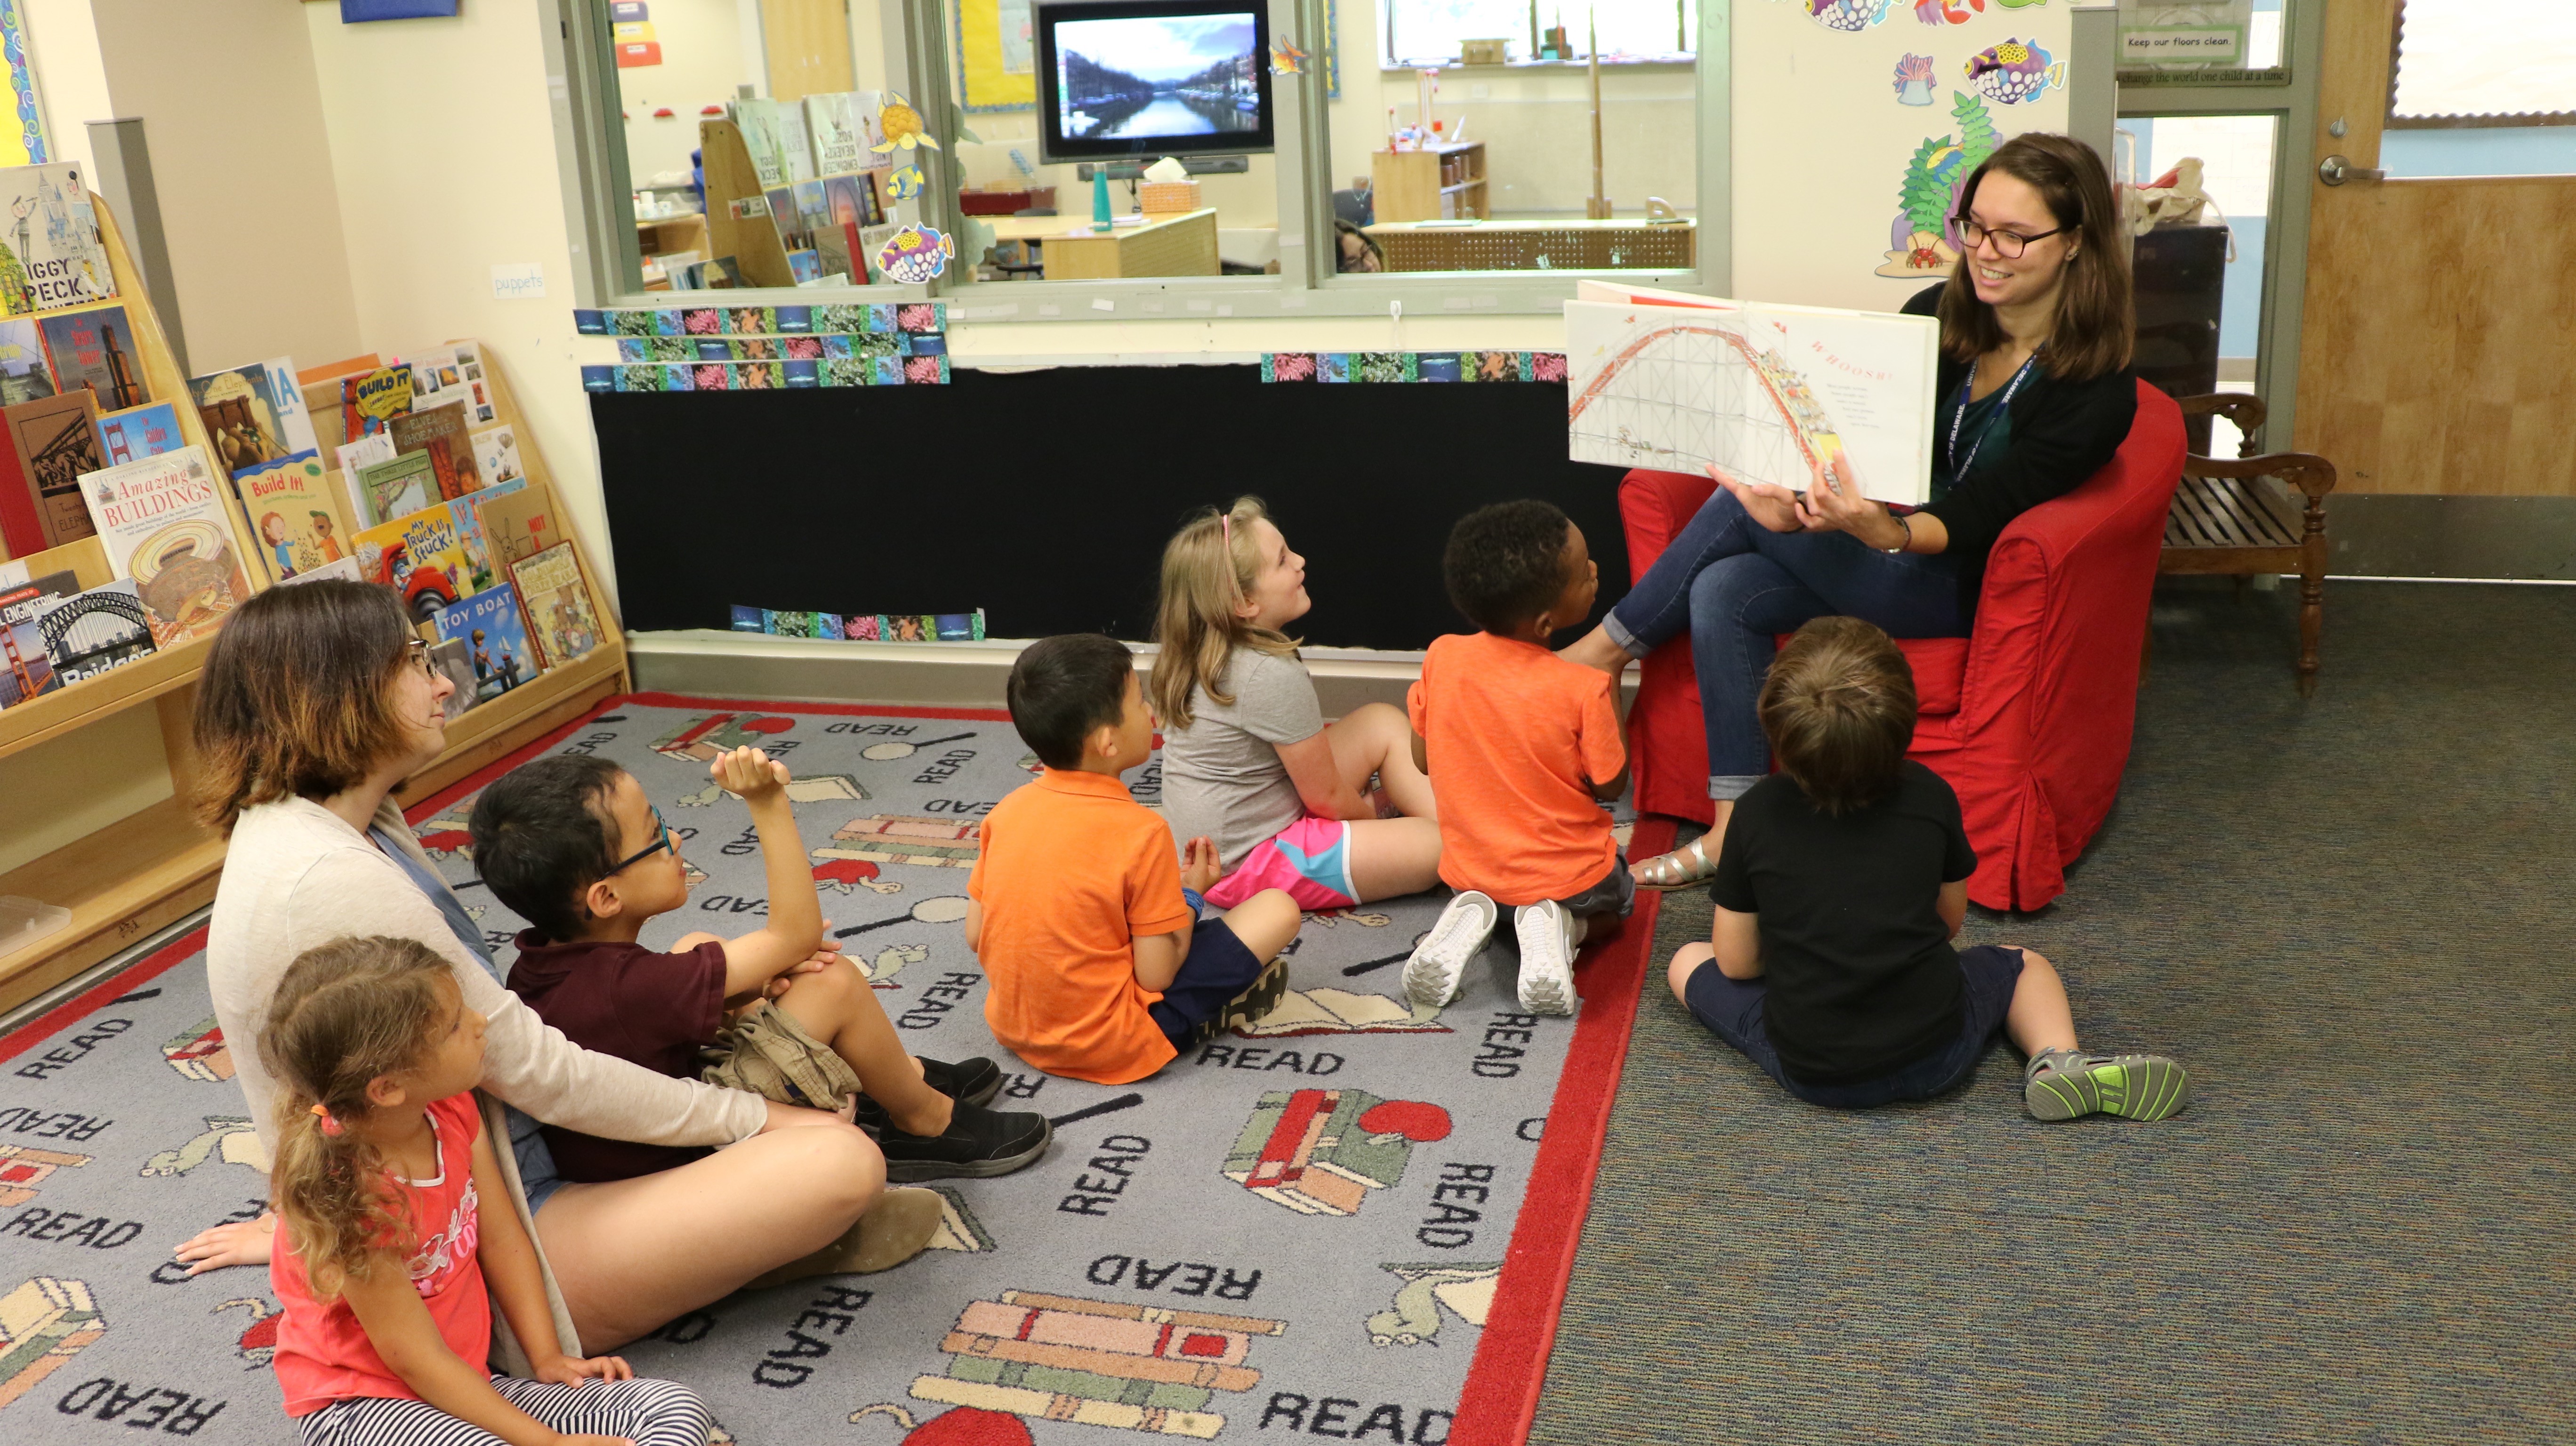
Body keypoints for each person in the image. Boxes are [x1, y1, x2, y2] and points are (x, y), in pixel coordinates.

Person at [184, 579, 895, 1354]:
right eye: (413, 663)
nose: (445, 682)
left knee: (714, 990)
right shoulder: (323, 877)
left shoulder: (331, 824)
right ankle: (735, 1252)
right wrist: (758, 1120)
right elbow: (538, 1069)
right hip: (494, 1248)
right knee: (838, 1160)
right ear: (335, 692)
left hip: (502, 1163)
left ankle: (723, 1233)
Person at [1561, 133, 2138, 889]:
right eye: (1974, 226)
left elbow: (1981, 514)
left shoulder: (2095, 391)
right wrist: (1807, 501)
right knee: (1721, 587)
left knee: (1736, 518)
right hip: (1883, 545)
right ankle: (1735, 825)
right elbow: (1864, 445)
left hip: (1961, 580)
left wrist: (1883, 531)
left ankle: (1597, 657)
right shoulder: (1935, 315)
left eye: (2015, 235)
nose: (1985, 251)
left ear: (2076, 244)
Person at [1668, 616, 2190, 1119]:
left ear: (1777, 730)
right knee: (2024, 965)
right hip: (1940, 1053)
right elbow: (1948, 923)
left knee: (1687, 959)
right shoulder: (1929, 795)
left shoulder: (1756, 812)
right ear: (1906, 721)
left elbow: (1737, 964)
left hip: (1816, 1071)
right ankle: (2060, 1059)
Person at [470, 745, 1051, 1191]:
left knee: (708, 945)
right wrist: (767, 803)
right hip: (688, 1164)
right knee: (832, 982)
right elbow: (795, 933)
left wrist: (761, 974)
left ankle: (890, 1074)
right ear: (604, 898)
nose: (676, 840)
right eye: (656, 837)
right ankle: (923, 1120)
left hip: (654, 1110)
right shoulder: (634, 988)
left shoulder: (544, 962)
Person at [261, 935, 711, 1446]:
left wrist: (546, 1357)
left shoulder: (451, 1110)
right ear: (387, 1088)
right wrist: (550, 1443)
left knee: (672, 1408)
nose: (480, 1022)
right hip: (362, 1405)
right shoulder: (353, 1199)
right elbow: (414, 1358)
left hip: (469, 1384)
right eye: (454, 1025)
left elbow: (502, 1240)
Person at [968, 633, 1304, 1084]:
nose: (1152, 713)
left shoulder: (1003, 814)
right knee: (1277, 910)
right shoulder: (1143, 833)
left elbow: (976, 934)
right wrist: (1191, 894)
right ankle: (1213, 1014)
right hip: (1115, 1044)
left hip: (1014, 1029)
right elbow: (1157, 975)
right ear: (1108, 742)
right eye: (1139, 701)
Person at [1152, 498, 1441, 909]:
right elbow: (1324, 798)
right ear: (1245, 604)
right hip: (1245, 862)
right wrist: (1367, 818)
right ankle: (1462, 836)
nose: (1301, 561)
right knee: (1440, 846)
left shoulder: (1201, 644)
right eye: (1283, 560)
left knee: (1380, 720)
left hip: (1213, 840)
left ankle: (1446, 821)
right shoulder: (1268, 674)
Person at [1401, 502, 1631, 1017]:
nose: (1595, 571)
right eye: (1583, 571)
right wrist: (1610, 680)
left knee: (1499, 891)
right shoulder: (1583, 686)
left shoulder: (1443, 656)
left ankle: (1476, 917)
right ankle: (1564, 926)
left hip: (1473, 870)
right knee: (1621, 901)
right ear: (1548, 621)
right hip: (1569, 880)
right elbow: (1612, 784)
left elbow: (1422, 760)